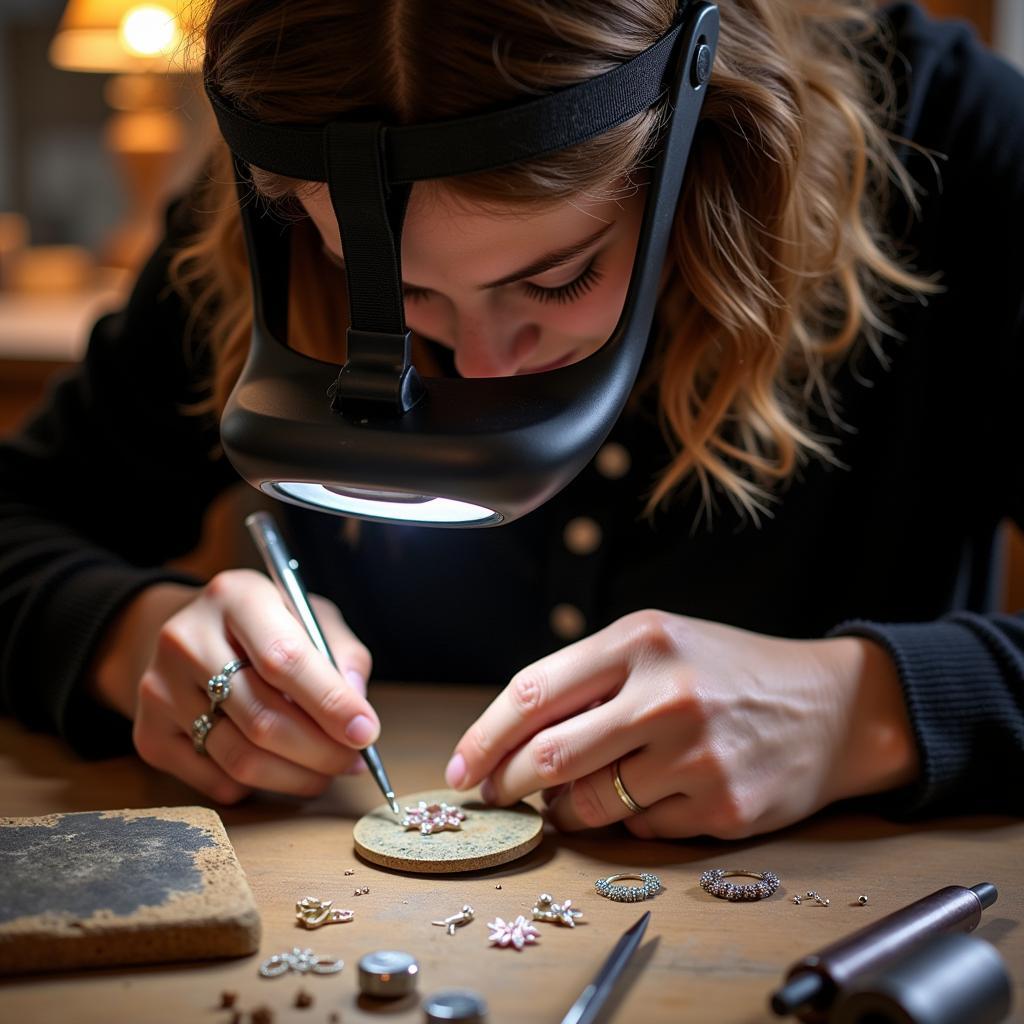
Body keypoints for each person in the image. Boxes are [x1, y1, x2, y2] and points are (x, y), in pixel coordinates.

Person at [1, 0, 1021, 840]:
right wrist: (131, 639)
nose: (479, 365)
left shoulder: (956, 148)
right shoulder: (263, 232)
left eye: (558, 277)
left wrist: (862, 708)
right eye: (388, 294)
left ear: (698, 151)